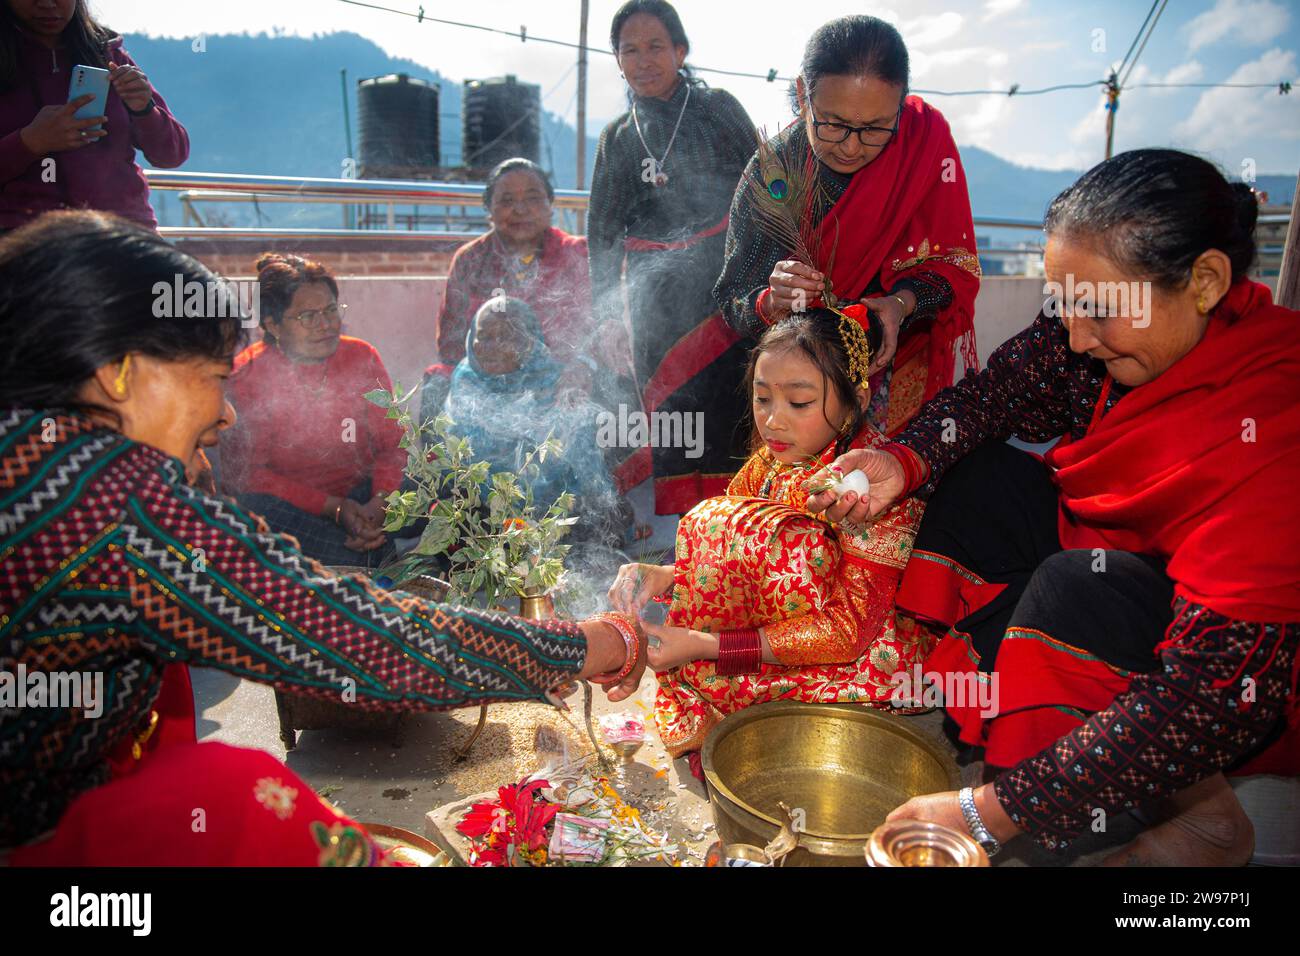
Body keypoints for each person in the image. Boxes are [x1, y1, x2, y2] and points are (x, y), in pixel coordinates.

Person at [0, 211, 646, 865]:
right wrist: (594, 643)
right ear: (120, 372)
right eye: (212, 378)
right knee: (234, 794)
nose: (226, 412)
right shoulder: (107, 501)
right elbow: (360, 637)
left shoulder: (37, 456)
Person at [808, 150, 1299, 865]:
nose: (1074, 337)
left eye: (1097, 311)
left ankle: (1178, 814)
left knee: (1074, 588)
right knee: (972, 484)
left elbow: (1223, 691)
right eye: (1064, 305)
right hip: (1116, 567)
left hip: (1219, 674)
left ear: (1205, 283)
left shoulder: (1271, 417)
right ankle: (1032, 731)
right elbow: (991, 395)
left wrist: (993, 813)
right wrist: (899, 461)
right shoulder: (1092, 343)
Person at [608, 304, 931, 769]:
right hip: (767, 635)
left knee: (713, 676)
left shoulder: (875, 489)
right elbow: (729, 558)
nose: (774, 421)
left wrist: (707, 646)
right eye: (762, 399)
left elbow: (845, 634)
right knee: (717, 520)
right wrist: (662, 574)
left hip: (849, 657)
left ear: (856, 400)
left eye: (798, 403)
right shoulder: (768, 463)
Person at [715, 15, 980, 438]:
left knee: (896, 491)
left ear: (900, 104)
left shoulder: (925, 144)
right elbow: (733, 298)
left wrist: (901, 304)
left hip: (903, 369)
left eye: (875, 128)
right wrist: (771, 299)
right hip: (805, 389)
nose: (852, 147)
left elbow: (956, 265)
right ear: (803, 94)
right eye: (834, 124)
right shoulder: (775, 169)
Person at [588, 0, 756, 514]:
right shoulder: (617, 136)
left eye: (656, 46)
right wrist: (608, 317)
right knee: (674, 413)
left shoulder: (720, 109)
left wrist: (760, 281)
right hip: (653, 300)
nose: (643, 60)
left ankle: (734, 526)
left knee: (728, 403)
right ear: (617, 61)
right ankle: (683, 536)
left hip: (721, 286)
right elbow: (602, 237)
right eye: (629, 50)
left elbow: (763, 193)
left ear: (680, 51)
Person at [219, 253, 407, 567]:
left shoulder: (360, 356)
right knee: (251, 507)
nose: (326, 325)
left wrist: (379, 506)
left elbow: (393, 445)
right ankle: (366, 553)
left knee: (440, 478)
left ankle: (367, 545)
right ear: (273, 325)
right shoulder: (247, 376)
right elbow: (248, 476)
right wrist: (333, 508)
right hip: (298, 509)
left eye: (331, 310)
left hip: (363, 497)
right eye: (308, 316)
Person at [445, 296, 627, 545]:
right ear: (471, 339)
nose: (494, 346)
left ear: (528, 342)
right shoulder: (467, 382)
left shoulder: (554, 380)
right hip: (487, 509)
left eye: (507, 336)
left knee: (593, 528)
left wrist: (600, 501)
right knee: (453, 527)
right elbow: (463, 467)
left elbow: (583, 457)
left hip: (553, 508)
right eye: (485, 337)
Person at [433, 157, 602, 416]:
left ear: (550, 206)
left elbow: (600, 327)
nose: (520, 210)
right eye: (507, 200)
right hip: (486, 389)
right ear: (489, 210)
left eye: (533, 198)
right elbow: (451, 343)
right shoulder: (471, 260)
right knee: (437, 382)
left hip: (561, 386)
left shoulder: (578, 254)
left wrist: (583, 365)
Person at [0, 0, 188, 230]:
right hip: (28, 243)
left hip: (126, 236)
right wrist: (29, 143)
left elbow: (172, 154)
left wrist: (144, 109)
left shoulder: (109, 54)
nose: (47, 4)